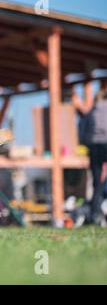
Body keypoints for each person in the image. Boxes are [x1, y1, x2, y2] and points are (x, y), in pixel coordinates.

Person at [71, 79, 107, 227]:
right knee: (102, 183)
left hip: (93, 147)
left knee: (96, 182)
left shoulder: (90, 112)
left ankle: (94, 214)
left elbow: (83, 132)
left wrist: (86, 144)